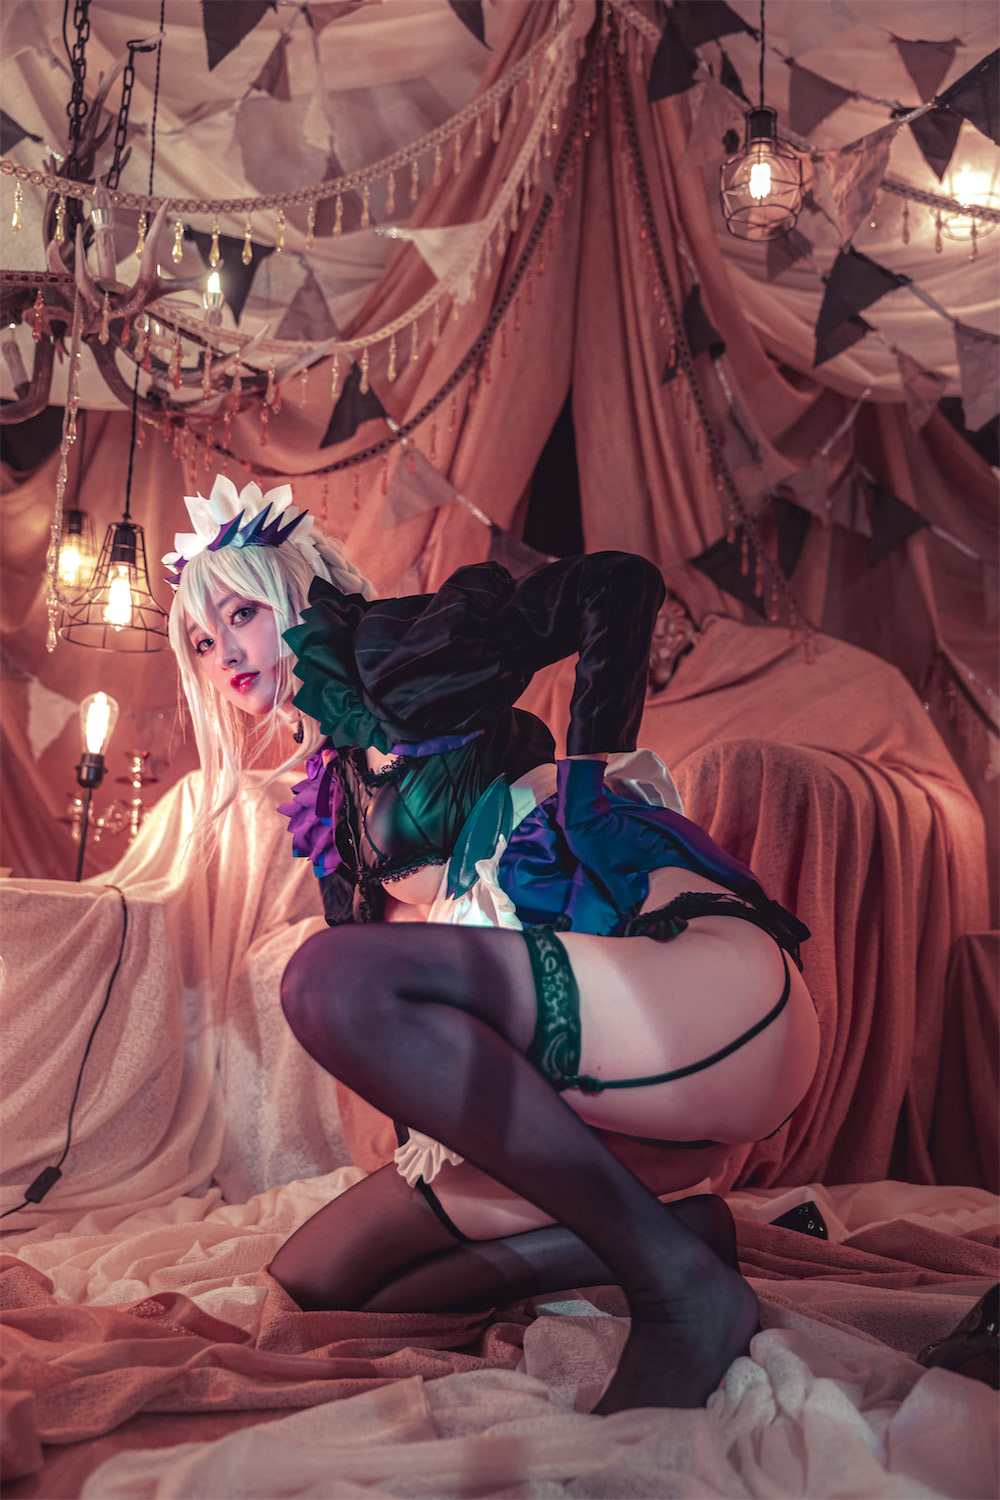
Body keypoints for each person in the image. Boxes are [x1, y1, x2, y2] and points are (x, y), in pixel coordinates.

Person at [167, 474, 820, 1415]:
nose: (225, 652)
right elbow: (405, 1016)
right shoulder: (334, 787)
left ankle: (677, 1287)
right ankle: (677, 1239)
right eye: (201, 640)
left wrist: (589, 784)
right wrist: (438, 1151)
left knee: (322, 982)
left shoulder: (393, 649)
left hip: (702, 998)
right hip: (589, 1079)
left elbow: (619, 584)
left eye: (241, 614)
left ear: (296, 594)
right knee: (317, 1289)